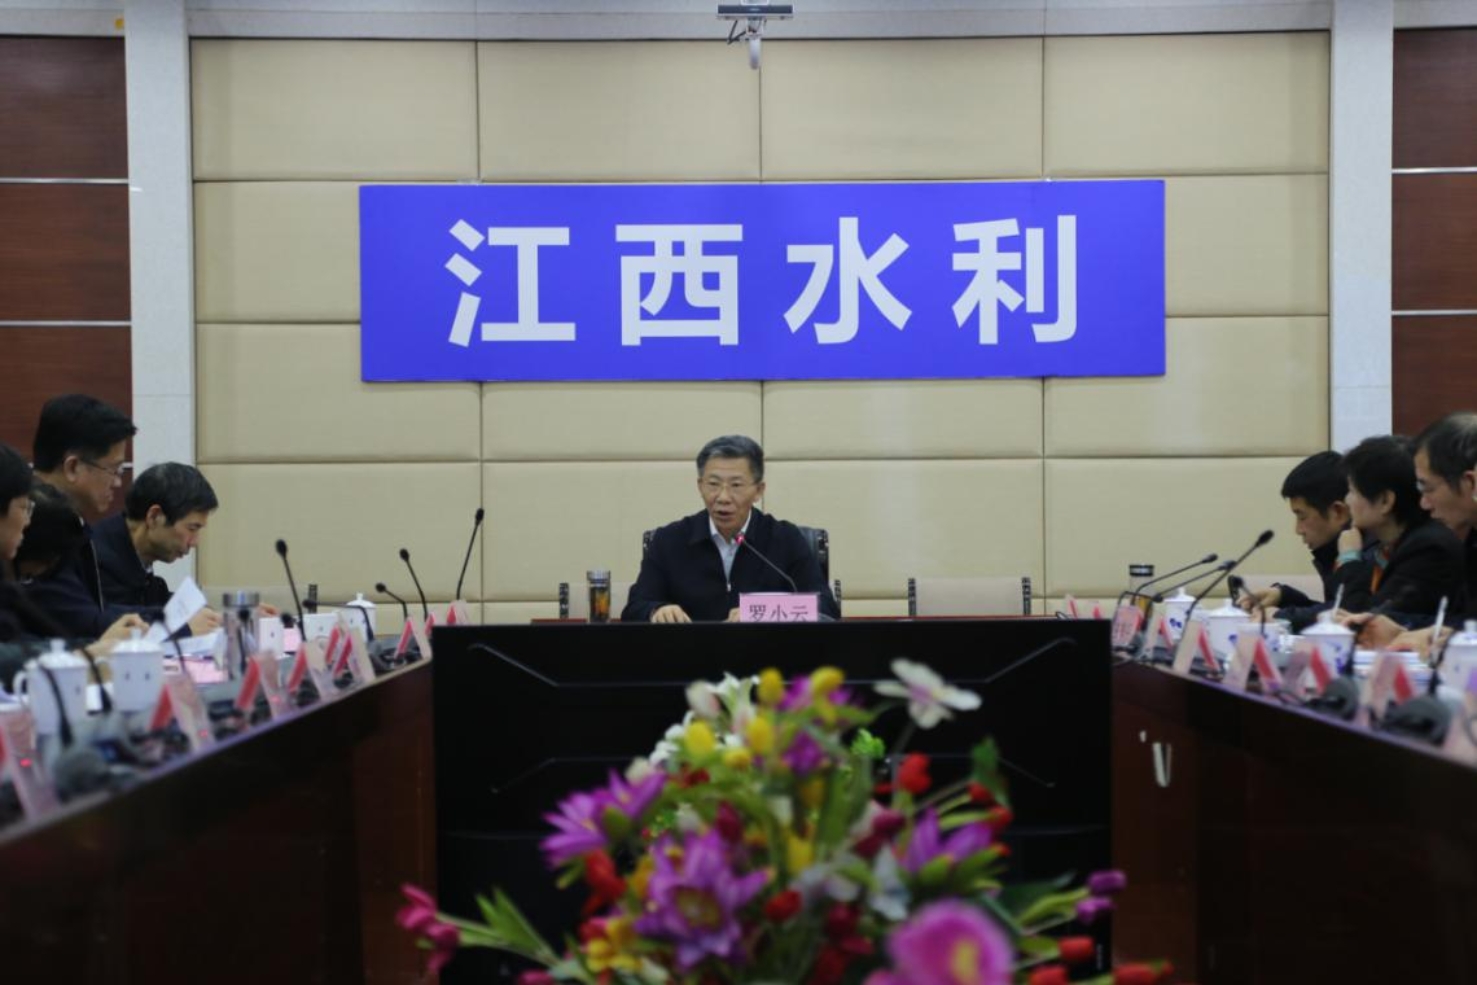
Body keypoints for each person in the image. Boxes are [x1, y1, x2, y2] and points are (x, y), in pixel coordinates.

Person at [622, 435, 839, 623]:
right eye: (713, 484)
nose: (723, 497)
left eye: (736, 485)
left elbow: (826, 608)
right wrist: (656, 611)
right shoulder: (669, 540)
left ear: (759, 490)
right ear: (700, 486)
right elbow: (634, 608)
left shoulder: (785, 539)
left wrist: (760, 612)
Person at [1348, 411, 1477, 652]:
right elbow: (1466, 624)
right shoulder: (1471, 540)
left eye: (1428, 489)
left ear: (1470, 483)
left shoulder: (1434, 543)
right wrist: (1402, 629)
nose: (1424, 504)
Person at [1331, 435, 1465, 624]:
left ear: (1385, 501)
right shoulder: (1384, 546)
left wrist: (1349, 559)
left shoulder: (1428, 549)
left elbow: (1362, 622)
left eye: (1352, 491)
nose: (1347, 500)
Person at [1237, 451, 1352, 631]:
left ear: (1338, 512)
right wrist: (1284, 597)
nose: (1298, 530)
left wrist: (1283, 617)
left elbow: (1350, 612)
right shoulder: (1333, 550)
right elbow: (1334, 611)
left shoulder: (1365, 553)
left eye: (1302, 516)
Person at [95, 463, 219, 611]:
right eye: (191, 528)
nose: (194, 542)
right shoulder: (96, 562)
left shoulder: (135, 560)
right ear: (154, 517)